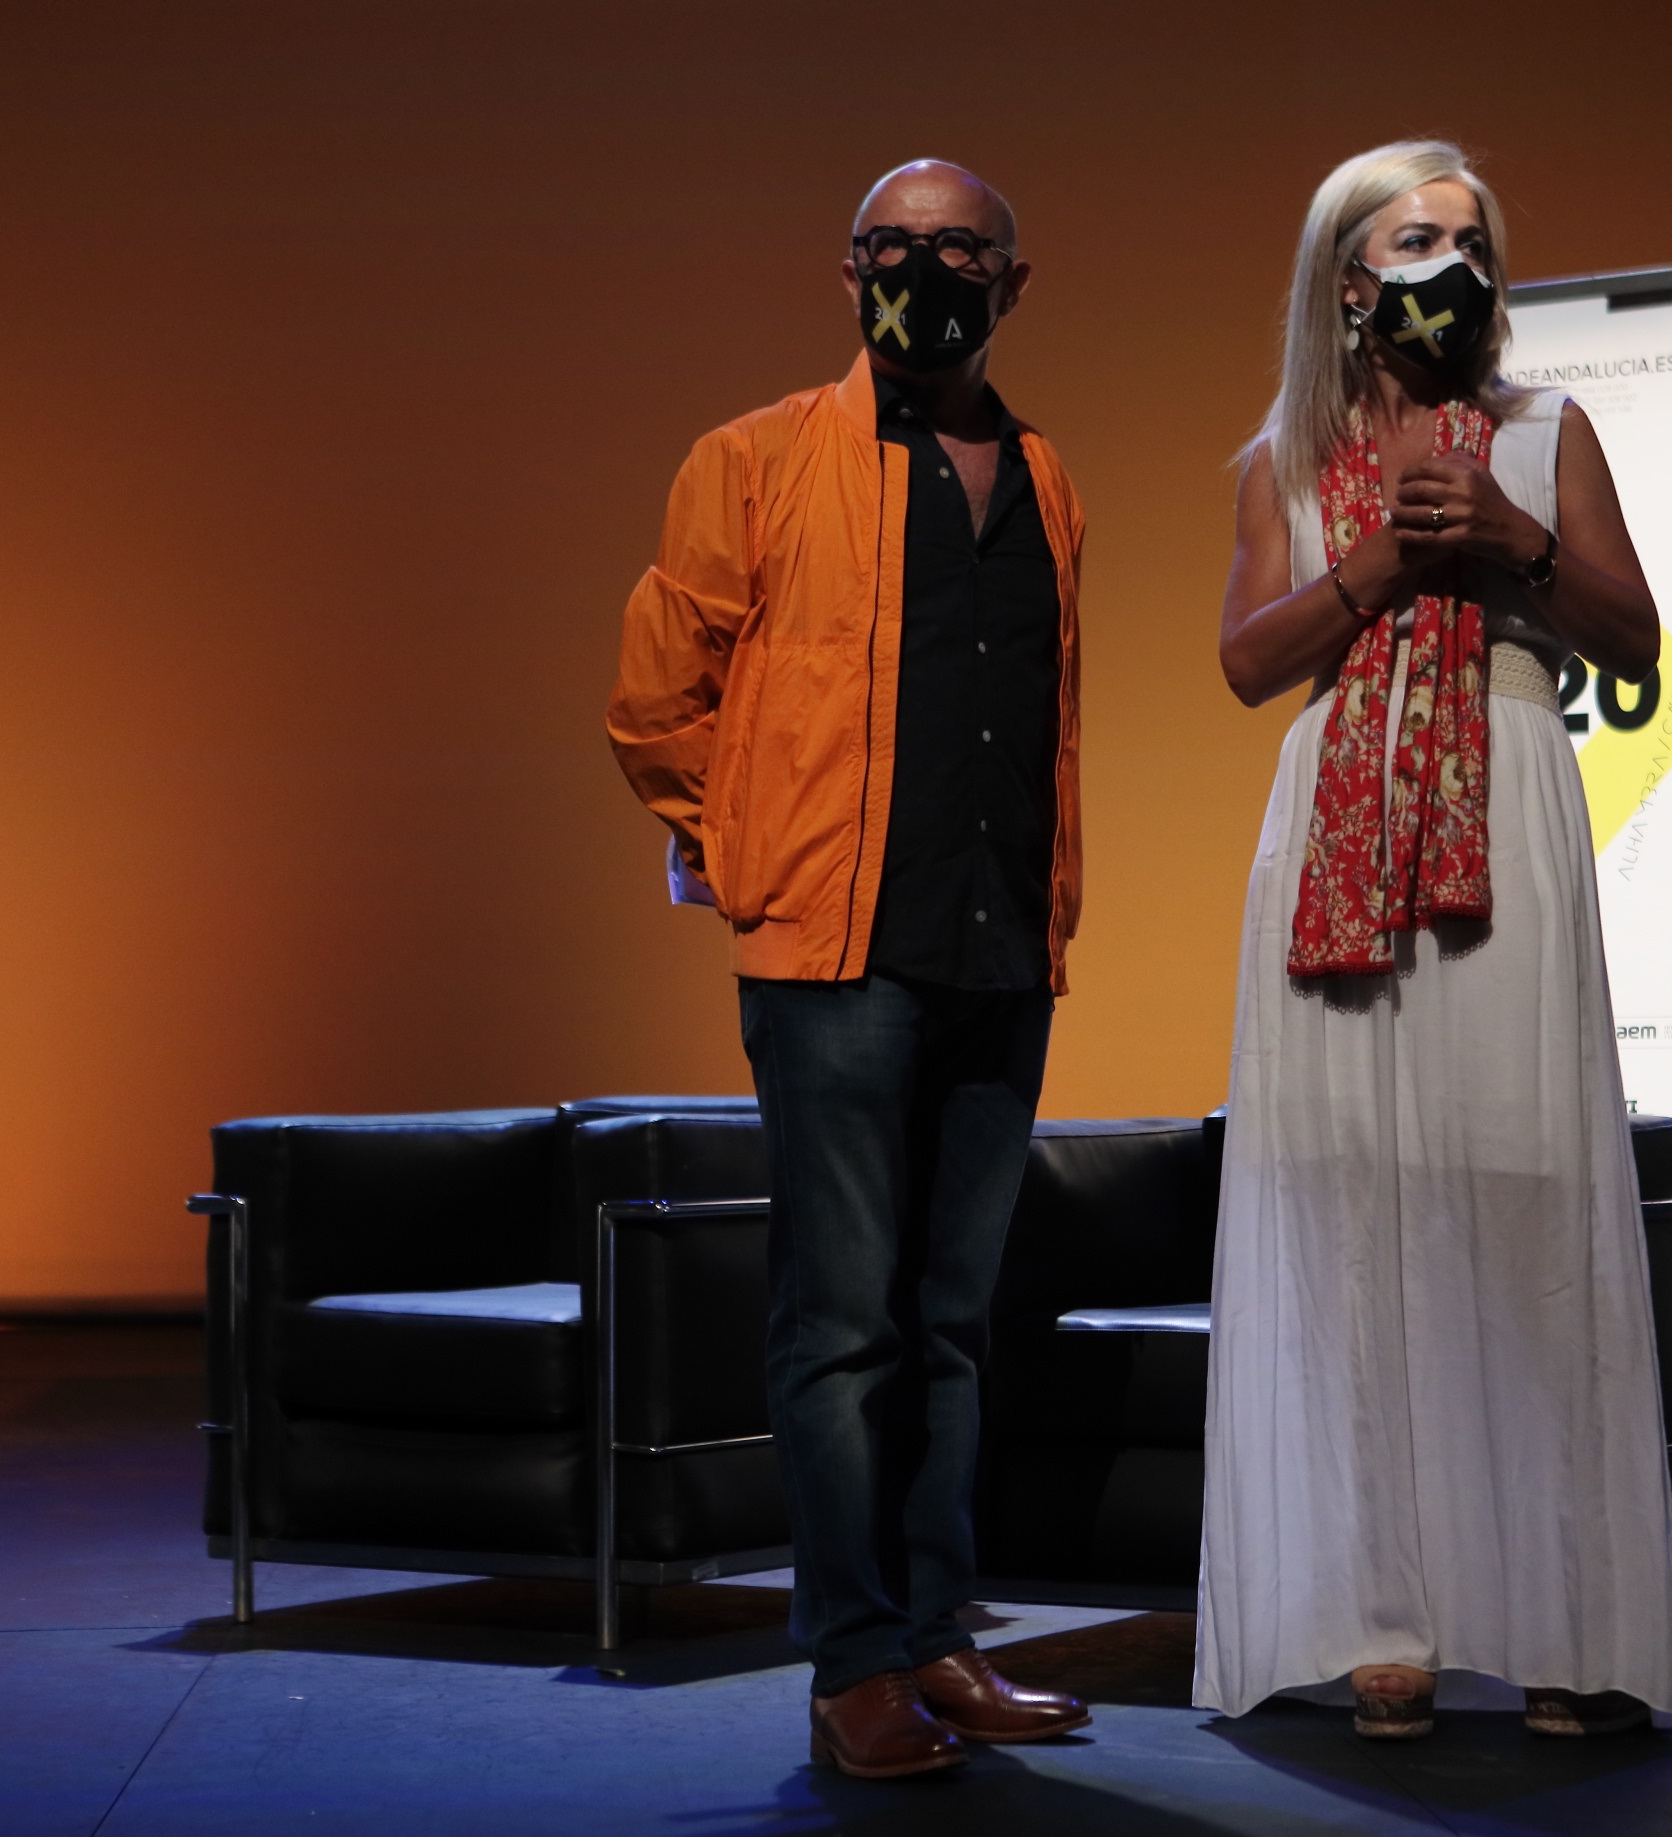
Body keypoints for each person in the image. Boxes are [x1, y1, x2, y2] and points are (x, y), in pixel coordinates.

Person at [1196, 140, 1672, 1738]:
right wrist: (1376, 564)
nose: (1454, 268)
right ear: (1349, 279)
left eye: (1471, 242)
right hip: (1336, 832)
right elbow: (1246, 662)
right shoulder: (1282, 458)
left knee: (1526, 1207)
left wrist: (1507, 537)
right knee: (1358, 1220)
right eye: (1419, 241)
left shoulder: (1547, 433)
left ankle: (1563, 1619)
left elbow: (1638, 642)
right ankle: (1382, 1617)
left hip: (1507, 804)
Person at [607, 159, 1091, 1780]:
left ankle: (941, 1633)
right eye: (892, 246)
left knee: (951, 1322)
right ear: (849, 272)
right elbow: (655, 699)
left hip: (1000, 946)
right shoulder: (751, 460)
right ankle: (852, 1661)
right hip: (834, 955)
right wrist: (747, 849)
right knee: (839, 1325)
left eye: (956, 248)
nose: (923, 271)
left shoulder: (1047, 477)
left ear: (1012, 281)